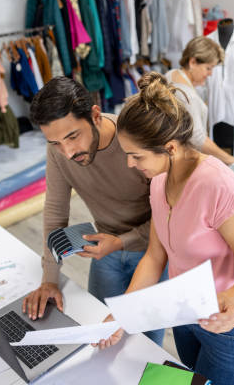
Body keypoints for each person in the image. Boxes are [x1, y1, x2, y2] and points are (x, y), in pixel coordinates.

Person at [97, 72, 234, 385]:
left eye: (136, 156)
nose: (130, 164)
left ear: (171, 148)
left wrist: (230, 300)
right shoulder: (159, 182)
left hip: (233, 326)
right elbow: (154, 256)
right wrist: (123, 313)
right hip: (185, 315)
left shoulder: (220, 188)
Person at [23, 76, 165, 345]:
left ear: (96, 116)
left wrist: (122, 242)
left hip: (155, 251)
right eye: (55, 143)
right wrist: (50, 280)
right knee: (101, 336)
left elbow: (168, 216)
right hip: (107, 254)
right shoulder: (59, 149)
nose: (67, 152)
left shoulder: (136, 143)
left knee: (146, 348)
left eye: (73, 136)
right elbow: (55, 211)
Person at [165, 37, 234, 165]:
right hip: (182, 161)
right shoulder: (188, 97)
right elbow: (198, 139)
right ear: (193, 62)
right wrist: (230, 159)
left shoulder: (172, 74)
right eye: (208, 68)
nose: (210, 74)